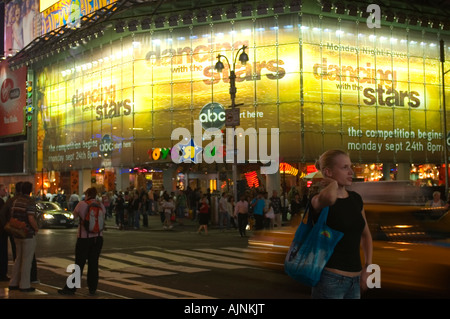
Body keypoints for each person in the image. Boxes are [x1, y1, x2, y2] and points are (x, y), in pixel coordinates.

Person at [309, 149, 373, 299]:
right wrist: (332, 183)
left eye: (350, 167)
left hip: (355, 280)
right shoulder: (317, 199)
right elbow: (331, 199)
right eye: (345, 168)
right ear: (328, 172)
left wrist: (368, 267)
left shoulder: (356, 199)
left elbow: (366, 236)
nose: (351, 172)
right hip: (329, 280)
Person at [58, 187, 106, 296]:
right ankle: (92, 288)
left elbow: (73, 217)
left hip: (84, 238)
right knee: (94, 263)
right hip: (98, 238)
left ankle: (71, 288)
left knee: (79, 264)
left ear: (88, 194)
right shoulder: (101, 205)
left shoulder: (81, 204)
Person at [8, 181, 39, 292]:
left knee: (18, 258)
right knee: (27, 260)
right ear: (30, 190)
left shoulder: (16, 201)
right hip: (27, 233)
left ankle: (13, 282)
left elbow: (12, 215)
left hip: (17, 233)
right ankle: (24, 284)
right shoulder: (29, 202)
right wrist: (36, 228)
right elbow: (31, 218)